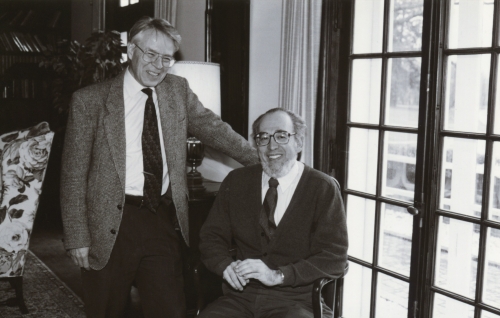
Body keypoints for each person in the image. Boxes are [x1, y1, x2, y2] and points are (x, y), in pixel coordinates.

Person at [60, 16, 258, 318]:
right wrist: (77, 238)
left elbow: (215, 129)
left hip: (160, 218)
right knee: (106, 310)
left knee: (169, 308)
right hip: (109, 222)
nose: (158, 65)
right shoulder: (90, 101)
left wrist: (262, 161)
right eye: (150, 54)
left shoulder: (176, 91)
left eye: (166, 58)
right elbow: (73, 175)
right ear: (131, 50)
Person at [198, 108, 348, 318]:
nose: (271, 146)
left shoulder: (322, 188)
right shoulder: (236, 181)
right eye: (263, 137)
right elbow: (210, 237)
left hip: (296, 302)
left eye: (281, 136)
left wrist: (278, 275)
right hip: (240, 298)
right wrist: (224, 266)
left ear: (299, 142)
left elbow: (335, 257)